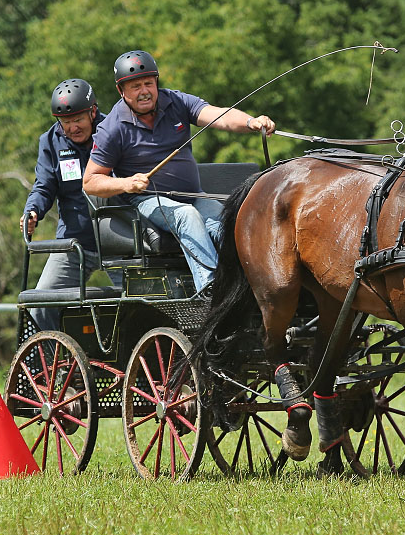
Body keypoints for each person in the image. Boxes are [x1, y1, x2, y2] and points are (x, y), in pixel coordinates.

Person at [82, 50, 275, 294]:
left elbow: (219, 116)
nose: (144, 91)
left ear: (156, 83)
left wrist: (250, 122)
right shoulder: (112, 128)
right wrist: (127, 183)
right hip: (147, 201)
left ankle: (254, 287)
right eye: (135, 87)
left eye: (148, 84)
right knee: (187, 216)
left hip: (193, 194)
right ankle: (211, 292)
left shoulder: (176, 102)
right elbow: (90, 181)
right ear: (122, 92)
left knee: (228, 220)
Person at [21, 78, 119, 331]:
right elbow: (43, 186)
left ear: (93, 112)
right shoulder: (50, 142)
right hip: (75, 243)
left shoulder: (116, 130)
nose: (73, 128)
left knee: (144, 304)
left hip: (122, 244)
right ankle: (58, 366)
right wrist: (32, 211)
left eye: (78, 120)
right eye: (66, 122)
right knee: (40, 303)